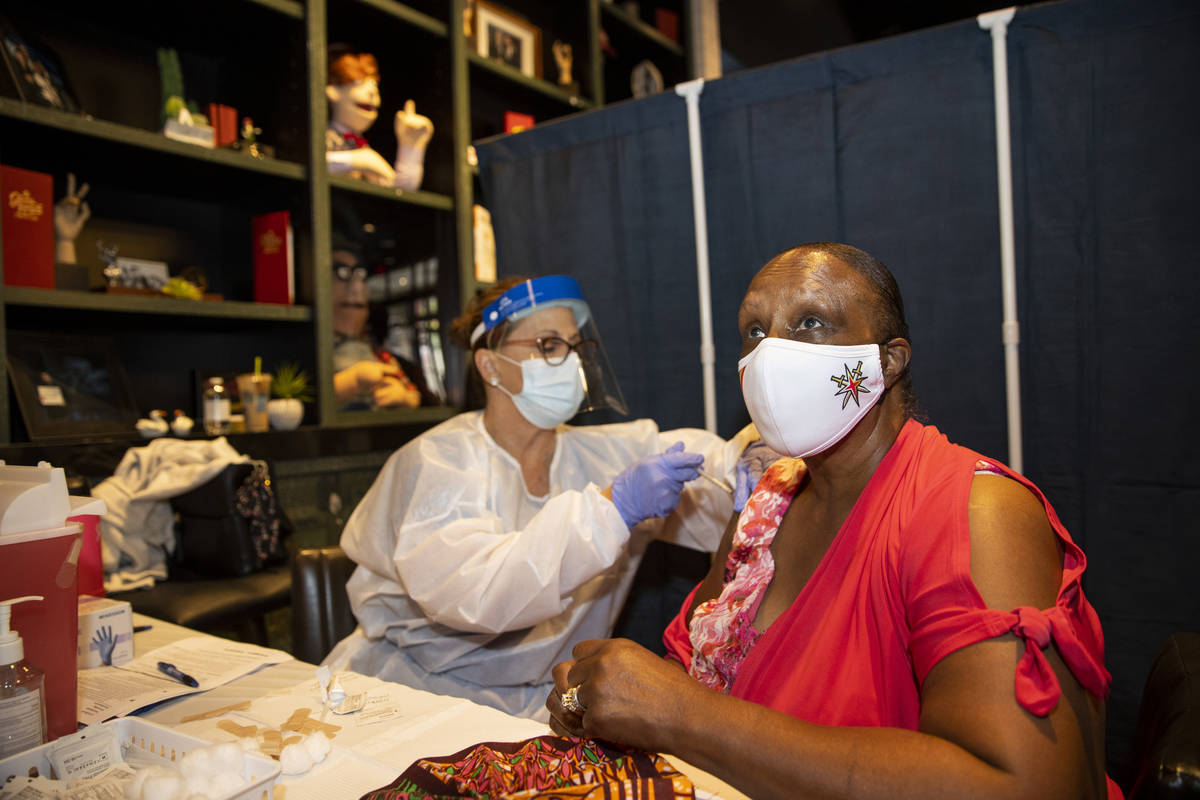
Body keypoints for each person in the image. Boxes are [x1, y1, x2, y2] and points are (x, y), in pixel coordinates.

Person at [547, 243, 1120, 800]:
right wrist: (606, 699)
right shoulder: (763, 509)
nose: (771, 353)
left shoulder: (971, 509)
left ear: (887, 361)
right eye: (754, 330)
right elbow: (685, 674)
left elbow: (1023, 786)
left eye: (811, 322)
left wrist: (680, 717)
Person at [325, 275, 759, 719]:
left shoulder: (602, 454)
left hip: (543, 705)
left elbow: (700, 462)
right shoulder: (438, 462)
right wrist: (613, 509)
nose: (570, 364)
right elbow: (478, 593)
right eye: (549, 347)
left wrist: (750, 461)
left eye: (575, 347)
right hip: (413, 696)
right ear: (490, 366)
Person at [330, 239, 423, 411]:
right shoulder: (311, 352)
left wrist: (404, 397)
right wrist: (354, 380)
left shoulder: (381, 356)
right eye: (342, 273)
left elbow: (413, 394)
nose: (356, 288)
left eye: (361, 276)